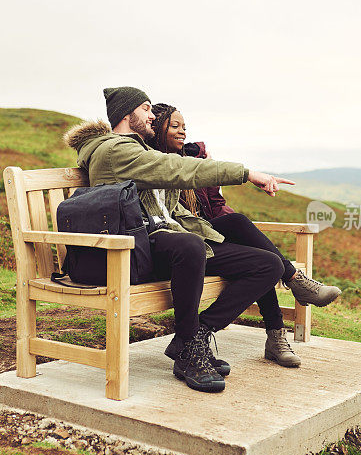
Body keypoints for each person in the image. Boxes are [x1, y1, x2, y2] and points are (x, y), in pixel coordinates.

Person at [63, 86, 302, 394]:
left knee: (267, 265)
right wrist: (246, 173)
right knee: (188, 245)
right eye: (146, 108)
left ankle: (196, 335)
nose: (152, 115)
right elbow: (177, 168)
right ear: (126, 114)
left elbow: (168, 202)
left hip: (166, 243)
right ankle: (188, 348)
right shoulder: (115, 151)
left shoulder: (138, 150)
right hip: (132, 251)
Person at [147, 102, 341, 350]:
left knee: (242, 231)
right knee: (250, 244)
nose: (183, 131)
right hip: (182, 244)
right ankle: (292, 291)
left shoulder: (195, 158)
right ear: (157, 128)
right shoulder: (155, 164)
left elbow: (216, 203)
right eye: (175, 126)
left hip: (203, 235)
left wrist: (236, 232)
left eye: (185, 126)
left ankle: (280, 323)